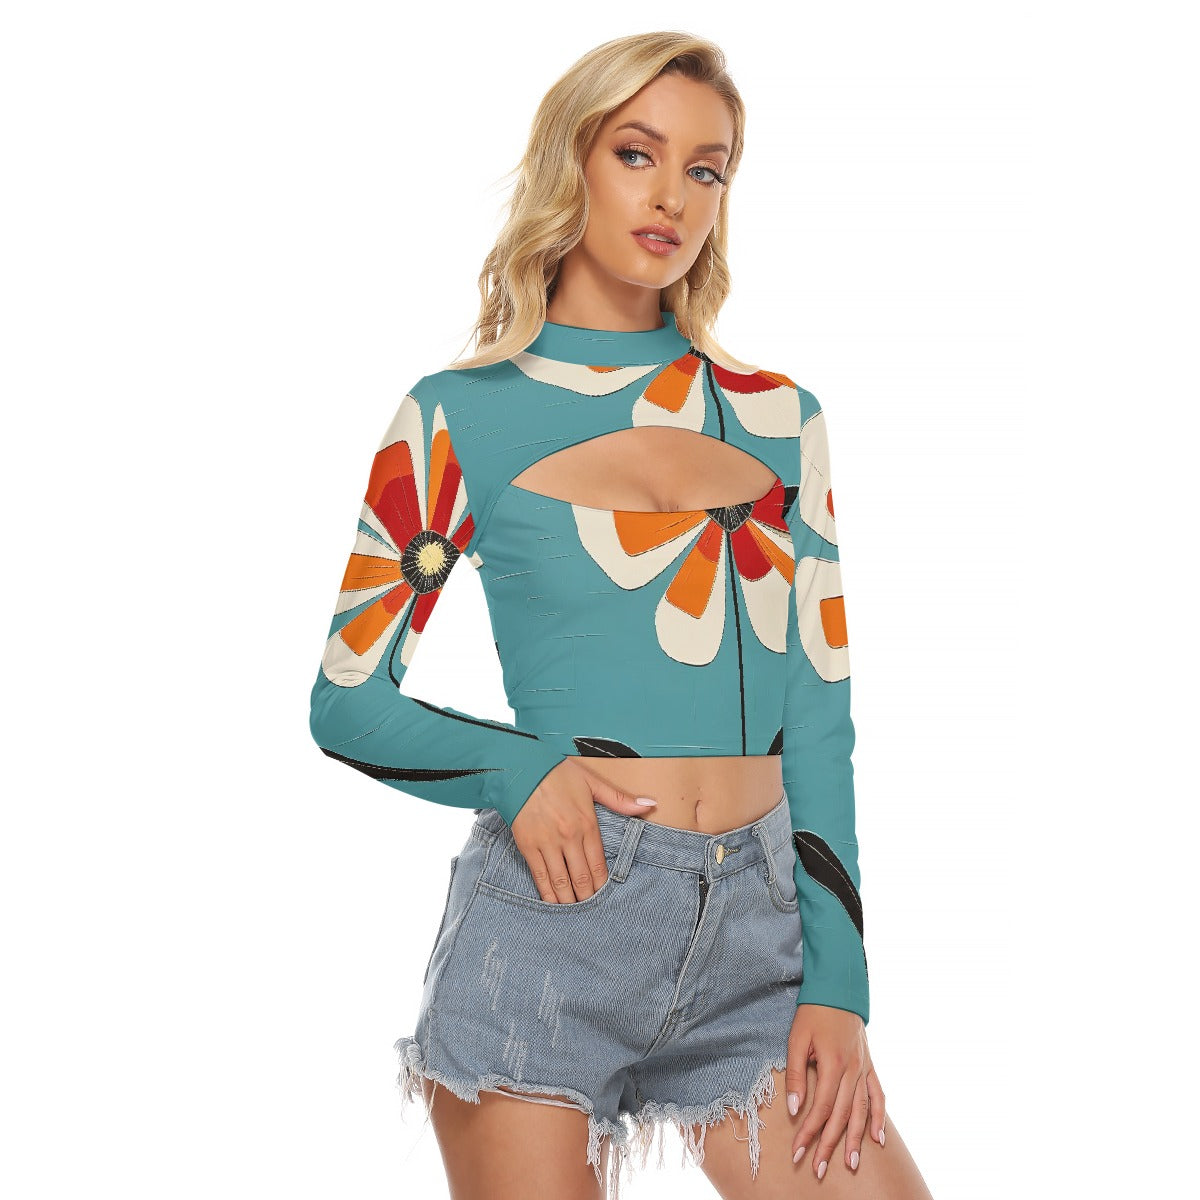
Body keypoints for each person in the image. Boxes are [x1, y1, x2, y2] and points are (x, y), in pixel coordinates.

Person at [309, 31, 934, 1200]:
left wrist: (840, 983)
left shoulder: (780, 418)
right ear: (573, 164)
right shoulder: (458, 414)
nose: (673, 196)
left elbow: (820, 717)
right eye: (637, 154)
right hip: (552, 927)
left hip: (760, 943)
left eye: (708, 169)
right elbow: (345, 702)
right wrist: (517, 769)